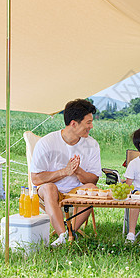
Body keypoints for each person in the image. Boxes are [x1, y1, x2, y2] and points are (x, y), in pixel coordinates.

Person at [30, 99, 101, 247]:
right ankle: (62, 234)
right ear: (74, 123)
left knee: (92, 189)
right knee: (50, 188)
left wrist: (78, 171)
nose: (91, 126)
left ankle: (70, 233)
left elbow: (94, 179)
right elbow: (36, 178)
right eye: (88, 122)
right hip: (49, 191)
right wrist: (64, 172)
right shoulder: (47, 143)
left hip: (76, 192)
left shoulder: (92, 144)